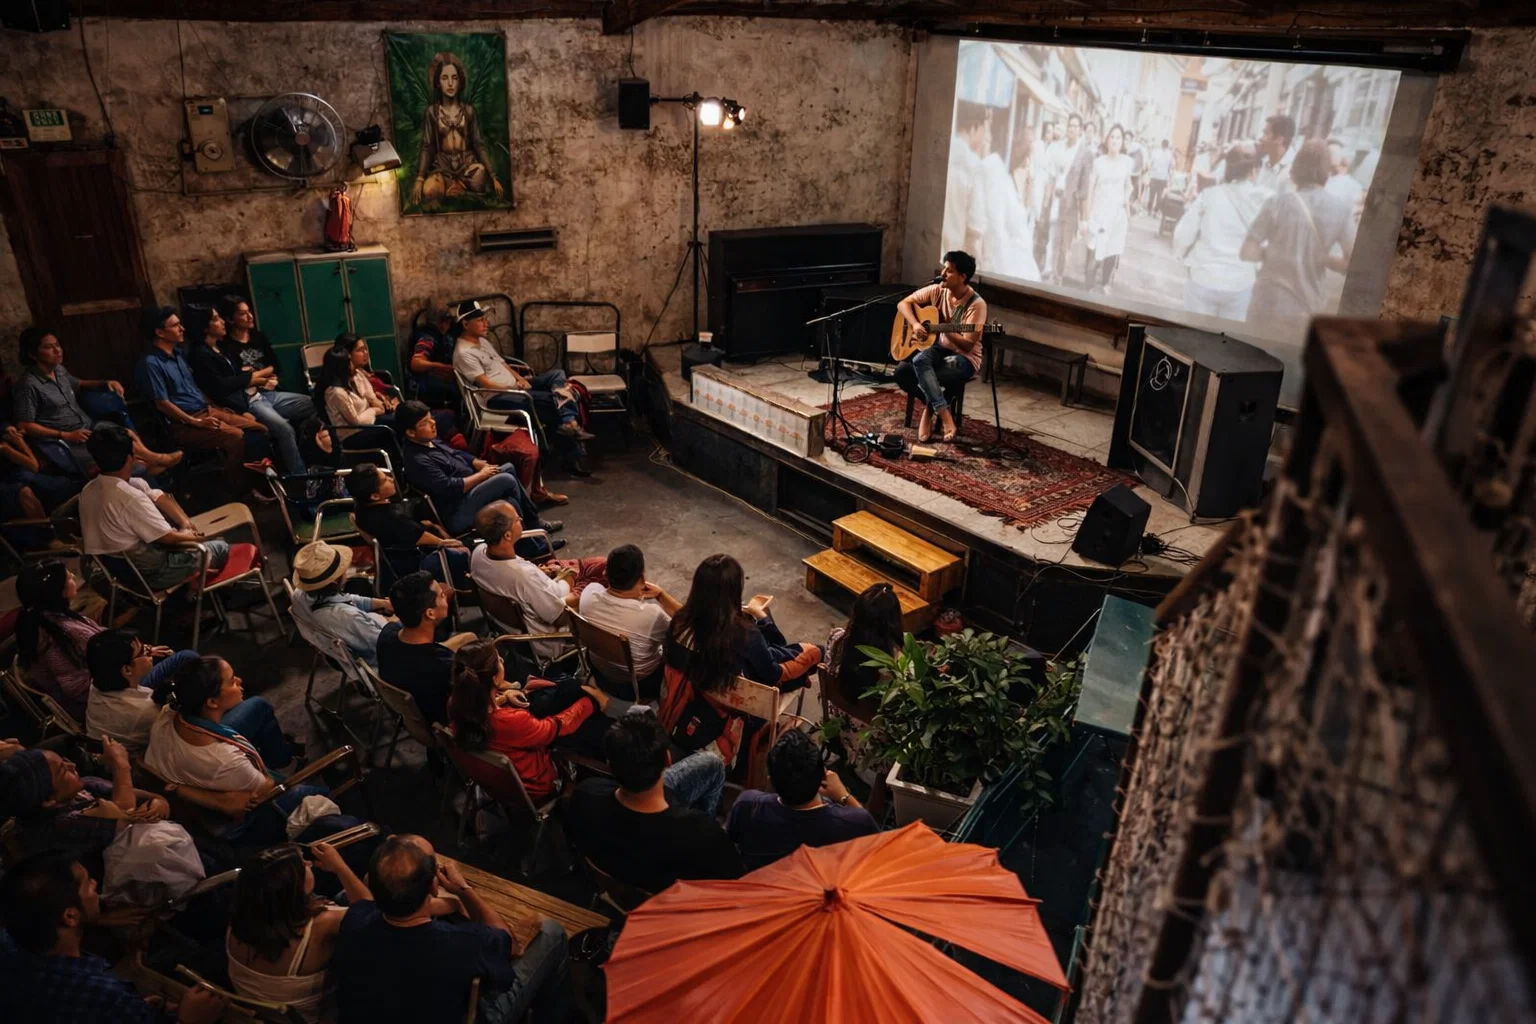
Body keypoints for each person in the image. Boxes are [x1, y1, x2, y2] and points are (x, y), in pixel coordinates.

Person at [331, 834, 569, 1024]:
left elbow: (364, 904)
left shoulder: (355, 919)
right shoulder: (465, 943)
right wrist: (463, 889)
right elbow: (509, 944)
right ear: (434, 886)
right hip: (469, 1015)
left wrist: (450, 903)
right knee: (552, 932)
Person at [0, 852, 228, 1023]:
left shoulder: (10, 952)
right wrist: (190, 1020)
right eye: (86, 883)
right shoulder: (106, 997)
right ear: (70, 916)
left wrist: (140, 1010)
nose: (94, 884)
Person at [659, 554, 820, 772]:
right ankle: (782, 633)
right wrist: (759, 617)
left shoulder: (680, 622)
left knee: (776, 651)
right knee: (809, 653)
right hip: (741, 707)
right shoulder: (744, 634)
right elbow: (771, 675)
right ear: (735, 590)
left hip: (699, 696)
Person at [143, 656, 321, 847]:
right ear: (212, 702)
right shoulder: (225, 760)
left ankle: (285, 760)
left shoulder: (169, 712)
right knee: (316, 793)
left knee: (258, 707)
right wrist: (265, 779)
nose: (239, 681)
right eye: (232, 681)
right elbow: (266, 786)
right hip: (235, 815)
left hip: (189, 763)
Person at [565, 712, 740, 894]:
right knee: (712, 764)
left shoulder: (585, 794)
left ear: (609, 763)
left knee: (710, 763)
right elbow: (732, 884)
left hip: (619, 883)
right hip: (668, 905)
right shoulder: (703, 835)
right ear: (668, 760)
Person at [225, 841, 372, 1022]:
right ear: (292, 887)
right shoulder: (323, 924)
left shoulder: (241, 917)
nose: (309, 863)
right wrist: (339, 867)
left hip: (260, 1013)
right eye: (303, 864)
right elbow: (370, 914)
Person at [448, 638, 608, 801]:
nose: (503, 660)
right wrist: (592, 702)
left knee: (568, 689)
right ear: (494, 679)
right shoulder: (512, 721)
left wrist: (503, 697)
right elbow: (554, 728)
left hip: (494, 780)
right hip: (538, 786)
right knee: (580, 710)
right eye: (499, 660)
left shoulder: (456, 703)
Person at [79, 424, 231, 590]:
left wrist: (185, 523)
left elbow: (158, 496)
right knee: (220, 546)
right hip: (153, 574)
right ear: (131, 457)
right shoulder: (129, 497)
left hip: (120, 574)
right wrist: (194, 538)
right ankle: (194, 591)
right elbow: (168, 538)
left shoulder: (89, 490)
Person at [13, 326, 180, 477]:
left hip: (88, 427)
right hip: (66, 439)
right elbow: (24, 425)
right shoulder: (29, 385)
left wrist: (106, 382)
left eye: (57, 345)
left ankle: (155, 460)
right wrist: (65, 435)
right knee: (126, 463)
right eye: (49, 347)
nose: (58, 350)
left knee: (126, 434)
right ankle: (154, 466)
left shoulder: (59, 370)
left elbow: (79, 384)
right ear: (32, 354)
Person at [135, 305, 263, 499]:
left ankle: (259, 481)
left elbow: (195, 389)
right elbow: (162, 403)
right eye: (176, 325)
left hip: (206, 409)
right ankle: (241, 491)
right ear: (159, 332)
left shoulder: (178, 353)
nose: (182, 329)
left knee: (259, 428)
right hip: (184, 422)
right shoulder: (151, 363)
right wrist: (195, 422)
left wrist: (221, 409)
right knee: (235, 437)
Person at [450, 300, 592, 466]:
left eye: (485, 318)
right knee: (558, 399)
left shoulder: (483, 341)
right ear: (466, 324)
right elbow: (485, 384)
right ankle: (572, 443)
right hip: (498, 397)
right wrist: (512, 387)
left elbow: (503, 365)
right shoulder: (464, 353)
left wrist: (520, 378)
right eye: (480, 320)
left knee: (557, 375)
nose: (486, 323)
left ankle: (568, 422)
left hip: (514, 386)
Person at [397, 400, 562, 537]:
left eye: (431, 418)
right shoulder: (418, 460)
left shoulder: (428, 439)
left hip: (469, 492)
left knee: (509, 486)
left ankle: (533, 540)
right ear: (411, 432)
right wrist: (482, 475)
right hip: (457, 509)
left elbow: (455, 453)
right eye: (425, 423)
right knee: (506, 479)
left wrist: (475, 461)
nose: (433, 423)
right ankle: (534, 528)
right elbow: (450, 487)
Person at [470, 501, 605, 661]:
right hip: (547, 636)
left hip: (517, 617)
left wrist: (544, 573)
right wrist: (569, 577)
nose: (520, 519)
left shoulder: (478, 553)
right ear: (507, 535)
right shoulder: (523, 576)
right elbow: (559, 616)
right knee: (602, 570)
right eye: (517, 519)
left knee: (594, 564)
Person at [726, 729, 879, 871]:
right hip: (820, 895)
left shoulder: (748, 805)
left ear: (770, 781)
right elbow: (876, 849)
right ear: (824, 776)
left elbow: (734, 842)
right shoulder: (854, 822)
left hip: (765, 892)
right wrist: (845, 796)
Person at [1242, 138, 1356, 325]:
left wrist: (1275, 252)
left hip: (1266, 303)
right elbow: (1350, 264)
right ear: (1326, 171)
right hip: (1306, 309)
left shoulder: (1276, 204)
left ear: (1295, 169)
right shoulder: (1341, 211)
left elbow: (1247, 252)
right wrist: (1323, 259)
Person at [0, 738, 170, 864]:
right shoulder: (59, 826)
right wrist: (121, 765)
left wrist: (158, 800)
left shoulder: (82, 786)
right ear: (49, 800)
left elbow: (130, 794)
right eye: (63, 771)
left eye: (64, 760)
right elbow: (125, 813)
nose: (72, 765)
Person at [186, 304, 311, 474]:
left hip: (259, 393)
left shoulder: (220, 347)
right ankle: (301, 477)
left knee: (312, 403)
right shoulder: (201, 354)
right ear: (204, 326)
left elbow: (242, 374)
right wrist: (250, 380)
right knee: (284, 429)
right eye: (216, 319)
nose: (222, 322)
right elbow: (219, 387)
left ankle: (315, 459)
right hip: (246, 402)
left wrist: (251, 377)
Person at [893, 250, 987, 443]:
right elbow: (903, 303)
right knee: (903, 370)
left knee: (938, 373)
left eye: (949, 270)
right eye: (944, 268)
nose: (942, 273)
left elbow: (968, 345)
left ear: (963, 277)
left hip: (965, 358)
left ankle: (932, 411)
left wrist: (944, 327)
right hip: (942, 349)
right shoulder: (938, 290)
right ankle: (940, 407)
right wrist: (916, 324)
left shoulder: (976, 305)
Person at [1173, 143, 1271, 321]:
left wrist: (1182, 257)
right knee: (1228, 341)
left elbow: (1184, 233)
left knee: (1195, 338)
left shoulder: (1209, 196)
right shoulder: (1263, 201)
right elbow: (1267, 245)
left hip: (1204, 276)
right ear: (1254, 171)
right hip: (1241, 282)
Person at [578, 543, 678, 701]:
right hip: (639, 684)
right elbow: (688, 626)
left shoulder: (588, 595)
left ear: (605, 573)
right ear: (643, 578)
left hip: (599, 671)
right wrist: (662, 596)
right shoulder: (651, 615)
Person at [375, 571, 478, 726]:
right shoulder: (446, 667)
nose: (445, 596)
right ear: (430, 613)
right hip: (445, 725)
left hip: (411, 711)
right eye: (442, 595)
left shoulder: (387, 633)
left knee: (469, 637)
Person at [347, 462, 469, 589]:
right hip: (413, 564)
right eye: (385, 481)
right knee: (465, 549)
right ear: (375, 496)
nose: (391, 479)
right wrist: (449, 541)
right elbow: (434, 541)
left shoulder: (360, 508)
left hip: (394, 560)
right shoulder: (393, 520)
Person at [409, 51, 505, 207]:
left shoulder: (468, 111)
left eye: (454, 78)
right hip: (443, 167)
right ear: (438, 82)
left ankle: (459, 185)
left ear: (460, 82)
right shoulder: (432, 112)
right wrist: (419, 178)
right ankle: (451, 185)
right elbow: (427, 146)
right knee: (429, 189)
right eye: (445, 78)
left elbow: (478, 144)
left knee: (480, 174)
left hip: (467, 167)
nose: (450, 84)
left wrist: (493, 176)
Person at [14, 559, 105, 723]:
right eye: (68, 577)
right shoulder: (60, 634)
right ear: (58, 592)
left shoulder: (39, 618)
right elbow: (77, 689)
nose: (73, 575)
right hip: (100, 700)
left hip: (106, 679)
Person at [83, 629, 198, 750]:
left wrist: (142, 651)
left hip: (129, 700)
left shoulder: (98, 682)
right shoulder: (146, 712)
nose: (150, 651)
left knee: (188, 657)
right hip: (143, 743)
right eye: (143, 651)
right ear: (127, 670)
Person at [288, 541, 393, 666]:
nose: (347, 570)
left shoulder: (300, 594)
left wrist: (383, 603)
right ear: (334, 583)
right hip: (379, 661)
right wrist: (395, 621)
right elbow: (388, 645)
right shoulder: (348, 618)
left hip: (336, 649)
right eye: (342, 570)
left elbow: (347, 599)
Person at [824, 581, 904, 724]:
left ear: (856, 614)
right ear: (893, 622)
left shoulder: (837, 640)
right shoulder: (897, 665)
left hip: (836, 726)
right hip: (870, 740)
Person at [314, 334, 397, 449]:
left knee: (402, 417)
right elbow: (356, 421)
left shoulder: (358, 375)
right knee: (391, 428)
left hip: (368, 423)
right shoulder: (336, 392)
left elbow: (372, 399)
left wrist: (378, 407)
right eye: (349, 362)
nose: (353, 366)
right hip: (352, 434)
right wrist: (372, 410)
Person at [1082, 123, 1135, 294]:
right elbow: (1090, 190)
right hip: (1098, 214)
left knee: (1112, 252)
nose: (1114, 140)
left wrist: (1126, 205)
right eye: (1112, 137)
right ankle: (1088, 289)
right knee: (1093, 254)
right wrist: (1087, 216)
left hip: (1117, 216)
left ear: (1122, 142)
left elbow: (1128, 186)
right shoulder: (1098, 163)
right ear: (1107, 139)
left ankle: (1105, 284)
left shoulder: (1127, 163)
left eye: (1118, 137)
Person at [980, 135, 1041, 283]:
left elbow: (1026, 205)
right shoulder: (1000, 178)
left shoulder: (1018, 178)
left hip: (1015, 250)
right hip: (1007, 255)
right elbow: (997, 224)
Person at [1045, 113, 1091, 284]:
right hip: (1056, 201)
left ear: (1080, 130)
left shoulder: (1085, 153)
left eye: (1075, 126)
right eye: (1069, 125)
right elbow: (1053, 174)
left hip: (1071, 205)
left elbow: (1085, 187)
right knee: (1053, 240)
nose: (1071, 129)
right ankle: (1050, 274)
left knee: (1065, 245)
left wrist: (1084, 217)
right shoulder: (1060, 147)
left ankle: (1058, 278)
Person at [941, 102, 991, 256]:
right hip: (951, 264)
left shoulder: (941, 153)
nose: (986, 136)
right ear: (974, 127)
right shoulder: (973, 166)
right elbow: (974, 230)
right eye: (985, 128)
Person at [408, 303, 460, 408]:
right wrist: (440, 367)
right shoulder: (428, 338)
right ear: (441, 323)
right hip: (427, 386)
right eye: (448, 322)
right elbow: (416, 362)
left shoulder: (443, 336)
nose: (450, 325)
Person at [1325, 138, 1366, 224]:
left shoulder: (1351, 184)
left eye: (1336, 153)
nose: (1333, 155)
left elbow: (1359, 209)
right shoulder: (1317, 180)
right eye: (1330, 152)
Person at [1255, 114, 1297, 194]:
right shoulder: (1266, 162)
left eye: (1265, 134)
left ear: (1279, 139)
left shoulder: (1292, 171)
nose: (1260, 138)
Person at [1146, 138, 1174, 215]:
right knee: (1159, 196)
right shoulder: (1170, 155)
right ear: (1167, 146)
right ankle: (1155, 211)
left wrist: (1149, 173)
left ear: (1161, 144)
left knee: (1151, 195)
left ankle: (1149, 210)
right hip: (1163, 178)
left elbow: (1149, 164)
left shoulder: (1155, 152)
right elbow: (1171, 168)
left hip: (1155, 177)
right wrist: (1170, 179)